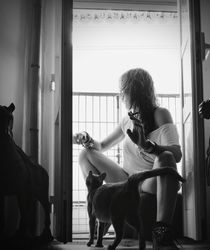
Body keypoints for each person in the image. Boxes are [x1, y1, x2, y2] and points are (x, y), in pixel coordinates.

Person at [74, 68, 183, 249]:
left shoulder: (160, 114)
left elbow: (176, 154)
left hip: (149, 180)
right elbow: (101, 146)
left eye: (123, 90)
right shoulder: (126, 120)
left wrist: (148, 146)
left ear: (134, 91)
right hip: (126, 180)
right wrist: (87, 138)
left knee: (166, 157)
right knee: (86, 153)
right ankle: (101, 203)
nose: (121, 95)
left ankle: (161, 233)